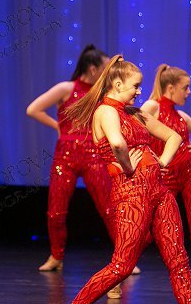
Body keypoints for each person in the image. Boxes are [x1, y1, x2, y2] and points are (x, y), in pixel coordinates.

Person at [54, 55, 191, 304]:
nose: (139, 91)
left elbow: (173, 137)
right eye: (135, 86)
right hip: (131, 194)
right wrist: (128, 166)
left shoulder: (135, 113)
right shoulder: (105, 111)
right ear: (117, 83)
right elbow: (117, 143)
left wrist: (162, 161)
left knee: (178, 261)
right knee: (122, 265)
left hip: (159, 192)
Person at [26, 45, 139, 289]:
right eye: (105, 68)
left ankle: (125, 257)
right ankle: (56, 256)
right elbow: (33, 109)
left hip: (93, 157)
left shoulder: (103, 95)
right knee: (56, 211)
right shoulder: (66, 89)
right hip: (65, 158)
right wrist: (58, 126)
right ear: (93, 69)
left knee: (109, 208)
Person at [142, 64, 191, 303]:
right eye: (186, 87)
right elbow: (133, 128)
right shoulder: (152, 107)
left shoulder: (182, 116)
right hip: (166, 177)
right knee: (145, 227)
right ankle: (118, 274)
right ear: (170, 87)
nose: (189, 92)